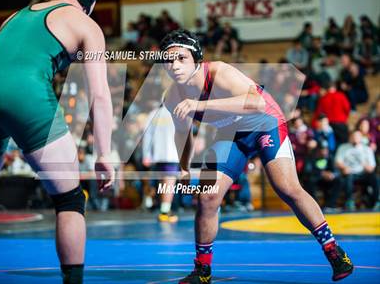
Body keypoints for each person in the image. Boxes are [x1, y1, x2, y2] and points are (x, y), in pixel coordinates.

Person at [160, 29, 353, 283]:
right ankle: (202, 270)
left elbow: (257, 103)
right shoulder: (172, 96)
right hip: (231, 133)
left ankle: (333, 250)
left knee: (287, 188)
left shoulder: (218, 72)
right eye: (168, 59)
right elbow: (182, 134)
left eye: (181, 58)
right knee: (207, 197)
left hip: (264, 122)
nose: (174, 65)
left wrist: (200, 105)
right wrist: (184, 168)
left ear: (195, 58)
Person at [0, 0, 114, 283]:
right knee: (69, 199)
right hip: (26, 93)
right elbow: (99, 93)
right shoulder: (86, 25)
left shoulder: (15, 16)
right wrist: (104, 153)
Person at [142, 105, 180, 222]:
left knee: (163, 182)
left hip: (158, 155)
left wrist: (146, 155)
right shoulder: (178, 112)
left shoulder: (154, 113)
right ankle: (164, 211)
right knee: (169, 182)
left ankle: (160, 207)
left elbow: (147, 136)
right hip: (172, 154)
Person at [335, 130, 378, 211]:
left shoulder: (367, 149)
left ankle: (376, 202)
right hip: (349, 173)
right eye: (353, 136)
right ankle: (349, 201)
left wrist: (367, 167)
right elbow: (337, 162)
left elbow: (372, 167)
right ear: (350, 137)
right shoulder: (343, 147)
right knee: (348, 177)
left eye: (357, 136)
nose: (355, 138)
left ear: (361, 138)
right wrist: (344, 167)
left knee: (375, 178)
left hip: (363, 174)